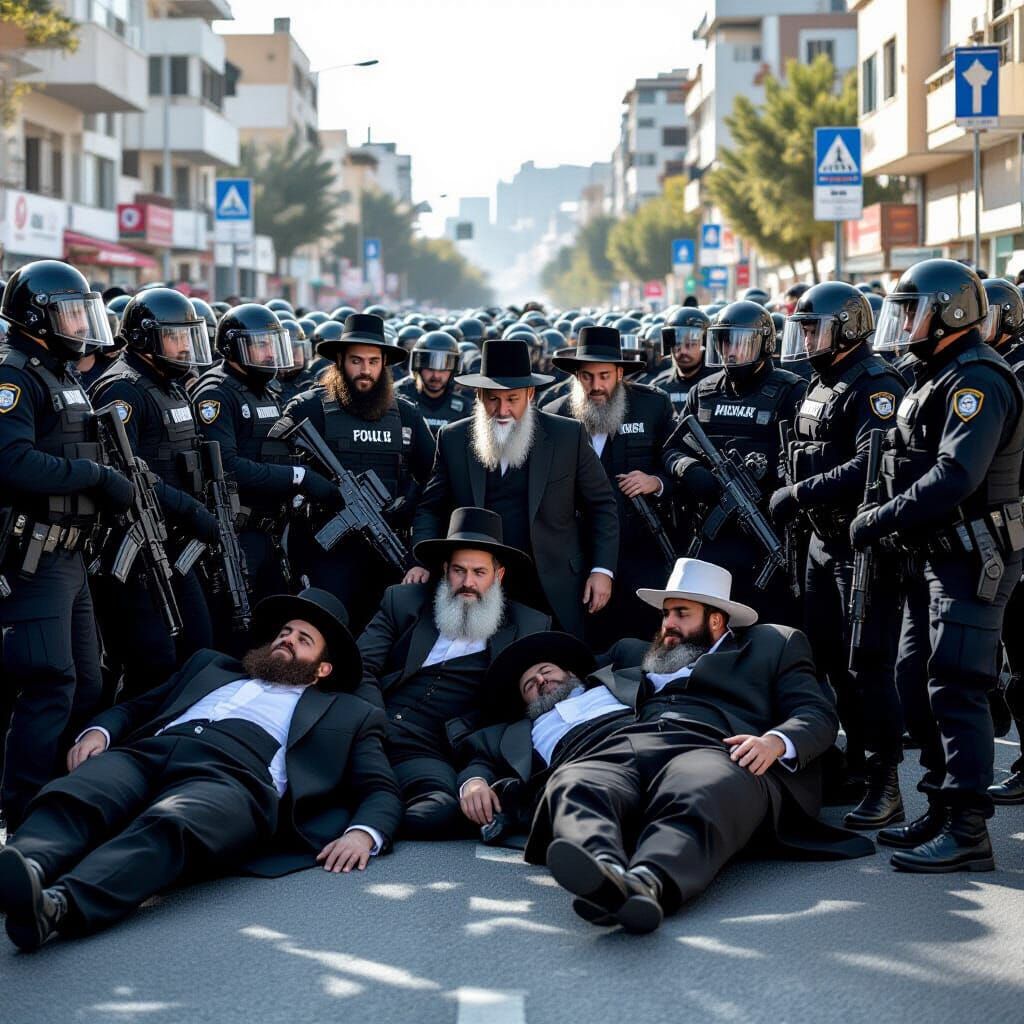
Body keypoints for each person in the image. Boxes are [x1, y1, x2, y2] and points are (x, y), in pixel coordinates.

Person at [0, 587, 402, 951]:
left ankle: (58, 907)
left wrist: (363, 835)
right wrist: (100, 732)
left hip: (234, 778)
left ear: (322, 670)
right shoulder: (210, 666)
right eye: (285, 632)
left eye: (303, 639)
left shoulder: (351, 713)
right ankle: (25, 867)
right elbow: (139, 706)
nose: (287, 640)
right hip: (149, 753)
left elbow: (380, 787)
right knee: (82, 792)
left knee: (170, 823)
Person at [525, 559, 869, 933]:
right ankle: (601, 867)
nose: (668, 623)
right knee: (576, 778)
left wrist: (773, 743)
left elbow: (815, 712)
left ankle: (647, 882)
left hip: (718, 746)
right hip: (633, 741)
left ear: (717, 620)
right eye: (666, 613)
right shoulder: (636, 653)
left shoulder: (773, 643)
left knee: (698, 787)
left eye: (681, 613)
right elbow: (564, 675)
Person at [853, 258, 1024, 871]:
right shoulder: (935, 372)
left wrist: (879, 517)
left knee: (958, 687)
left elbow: (957, 475)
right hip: (932, 555)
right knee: (915, 681)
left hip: (973, 555)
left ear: (952, 314)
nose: (907, 323)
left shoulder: (979, 378)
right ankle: (939, 804)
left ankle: (969, 830)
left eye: (917, 311)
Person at [0, 260, 134, 831]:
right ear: (37, 318)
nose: (81, 323)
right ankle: (24, 814)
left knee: (85, 678)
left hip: (71, 553)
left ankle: (56, 796)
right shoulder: (14, 377)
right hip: (34, 556)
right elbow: (12, 462)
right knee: (49, 681)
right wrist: (95, 479)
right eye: (70, 312)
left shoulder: (61, 373)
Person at [771, 281, 908, 828]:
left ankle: (886, 780)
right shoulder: (820, 382)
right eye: (802, 328)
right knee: (825, 659)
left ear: (848, 328)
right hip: (820, 542)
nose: (806, 338)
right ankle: (850, 763)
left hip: (861, 544)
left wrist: (801, 492)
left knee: (867, 664)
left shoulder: (875, 385)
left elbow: (868, 465)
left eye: (814, 328)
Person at [357, 507, 550, 838]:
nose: (468, 583)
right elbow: (360, 667)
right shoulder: (403, 601)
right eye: (459, 571)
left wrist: (475, 775)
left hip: (427, 752)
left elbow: (509, 719)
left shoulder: (528, 627)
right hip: (368, 728)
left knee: (441, 810)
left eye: (479, 572)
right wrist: (372, 722)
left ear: (498, 576)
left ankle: (367, 809)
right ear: (445, 570)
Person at [409, 339, 620, 640]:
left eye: (512, 399)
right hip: (478, 585)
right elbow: (430, 507)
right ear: (479, 395)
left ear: (530, 394)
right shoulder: (454, 439)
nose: (502, 410)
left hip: (553, 582)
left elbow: (602, 505)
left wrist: (602, 570)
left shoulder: (566, 435)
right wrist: (422, 561)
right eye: (493, 399)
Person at [88, 287, 218, 700]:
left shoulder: (171, 384)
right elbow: (124, 470)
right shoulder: (123, 390)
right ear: (145, 338)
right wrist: (187, 507)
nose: (184, 346)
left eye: (187, 336)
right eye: (175, 336)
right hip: (138, 548)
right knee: (151, 661)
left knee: (198, 649)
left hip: (176, 545)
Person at [271, 314, 435, 633]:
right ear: (340, 361)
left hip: (386, 548)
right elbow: (276, 471)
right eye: (356, 360)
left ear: (385, 363)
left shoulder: (406, 416)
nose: (365, 370)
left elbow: (434, 482)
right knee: (327, 632)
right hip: (325, 552)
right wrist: (313, 484)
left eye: (374, 361)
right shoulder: (309, 409)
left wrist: (410, 510)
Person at [661, 300, 806, 618]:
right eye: (725, 341)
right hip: (712, 533)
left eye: (741, 342)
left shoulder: (790, 391)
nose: (731, 350)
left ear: (764, 344)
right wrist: (691, 470)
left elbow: (803, 462)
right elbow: (671, 450)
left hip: (766, 530)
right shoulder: (704, 392)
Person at [544, 326, 676, 644]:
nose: (596, 386)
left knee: (641, 641)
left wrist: (655, 481)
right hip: (579, 552)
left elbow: (678, 463)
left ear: (619, 373)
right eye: (587, 377)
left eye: (604, 375)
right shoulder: (554, 413)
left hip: (641, 549)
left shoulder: (653, 405)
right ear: (576, 376)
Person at [191, 304, 319, 609]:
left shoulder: (265, 390)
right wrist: (297, 477)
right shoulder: (217, 393)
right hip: (237, 531)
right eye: (260, 344)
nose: (270, 353)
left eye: (272, 344)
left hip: (269, 531)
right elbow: (226, 467)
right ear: (233, 347)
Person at [457, 631, 634, 842]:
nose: (541, 680)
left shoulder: (611, 684)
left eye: (546, 671)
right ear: (525, 703)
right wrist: (473, 783)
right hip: (579, 763)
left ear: (570, 673)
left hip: (634, 735)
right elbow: (479, 760)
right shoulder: (520, 731)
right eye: (529, 685)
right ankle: (601, 855)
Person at [394, 330, 474, 435]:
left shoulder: (464, 406)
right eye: (430, 369)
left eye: (443, 370)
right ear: (418, 367)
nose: (436, 376)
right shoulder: (398, 398)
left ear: (453, 370)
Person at [652, 307, 715, 416]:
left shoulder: (718, 386)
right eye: (677, 344)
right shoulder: (659, 387)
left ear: (705, 344)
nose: (683, 351)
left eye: (691, 343)